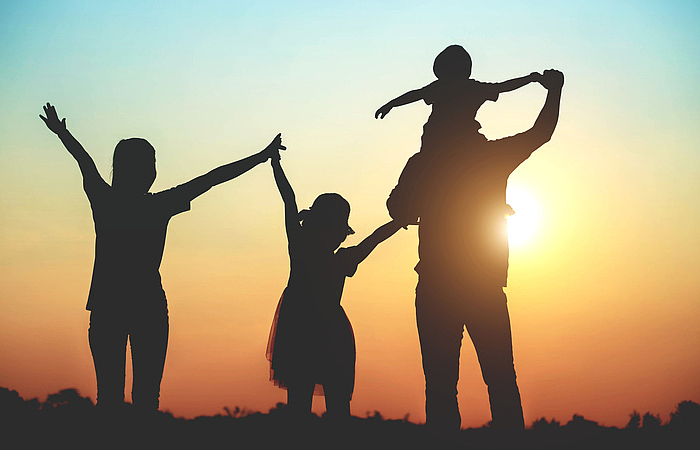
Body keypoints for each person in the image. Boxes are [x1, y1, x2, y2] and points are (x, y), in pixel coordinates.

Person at [39, 102, 285, 417]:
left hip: (118, 308)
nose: (153, 169)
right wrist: (261, 156)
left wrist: (63, 133)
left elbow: (84, 160)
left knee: (114, 399)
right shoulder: (155, 204)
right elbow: (212, 178)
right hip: (140, 309)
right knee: (141, 400)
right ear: (135, 169)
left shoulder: (108, 200)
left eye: (154, 162)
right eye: (148, 163)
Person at [386, 69, 564, 432]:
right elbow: (540, 134)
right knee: (500, 381)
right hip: (481, 285)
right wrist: (554, 92)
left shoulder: (422, 163)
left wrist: (431, 208)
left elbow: (398, 210)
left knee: (440, 387)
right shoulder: (490, 157)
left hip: (437, 285)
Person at [265, 146, 403, 421]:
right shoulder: (339, 259)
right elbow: (374, 238)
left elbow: (289, 200)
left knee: (301, 407)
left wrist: (275, 164)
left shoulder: (302, 247)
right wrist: (400, 221)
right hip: (325, 333)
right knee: (333, 409)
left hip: (301, 332)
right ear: (336, 229)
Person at [375, 44, 541, 156]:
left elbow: (416, 94)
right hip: (444, 141)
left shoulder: (445, 86)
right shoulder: (455, 86)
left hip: (447, 140)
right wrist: (530, 78)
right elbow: (503, 87)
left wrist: (391, 104)